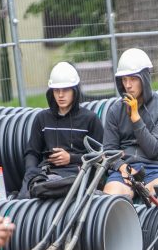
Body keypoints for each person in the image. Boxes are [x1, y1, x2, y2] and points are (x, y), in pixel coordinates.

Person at [18, 62, 103, 199]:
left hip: (76, 174)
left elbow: (100, 156)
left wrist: (71, 158)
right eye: (56, 90)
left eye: (65, 90)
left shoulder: (90, 119)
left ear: (75, 91)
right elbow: (32, 152)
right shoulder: (42, 118)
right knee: (27, 191)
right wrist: (31, 171)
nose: (60, 95)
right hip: (46, 173)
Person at [102, 48, 158, 199]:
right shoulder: (115, 110)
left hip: (157, 169)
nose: (128, 85)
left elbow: (153, 150)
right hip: (124, 170)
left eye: (133, 79)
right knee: (110, 200)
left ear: (145, 79)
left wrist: (136, 118)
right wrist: (122, 167)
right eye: (124, 79)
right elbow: (109, 150)